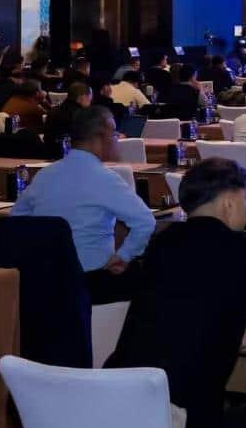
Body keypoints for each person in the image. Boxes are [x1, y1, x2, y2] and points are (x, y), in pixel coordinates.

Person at [105, 157, 246, 428]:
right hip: (180, 419)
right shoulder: (245, 249)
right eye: (245, 199)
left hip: (116, 402)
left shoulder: (162, 243)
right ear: (229, 203)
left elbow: (191, 299)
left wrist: (240, 317)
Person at [12, 107, 156, 303]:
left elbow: (16, 219)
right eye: (114, 134)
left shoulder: (45, 175)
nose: (117, 140)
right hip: (94, 284)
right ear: (100, 137)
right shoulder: (105, 178)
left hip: (46, 284)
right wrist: (124, 255)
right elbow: (146, 221)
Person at [42, 82, 92, 157]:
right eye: (90, 98)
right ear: (83, 97)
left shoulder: (53, 112)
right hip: (75, 157)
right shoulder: (83, 115)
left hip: (50, 156)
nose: (90, 101)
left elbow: (47, 139)